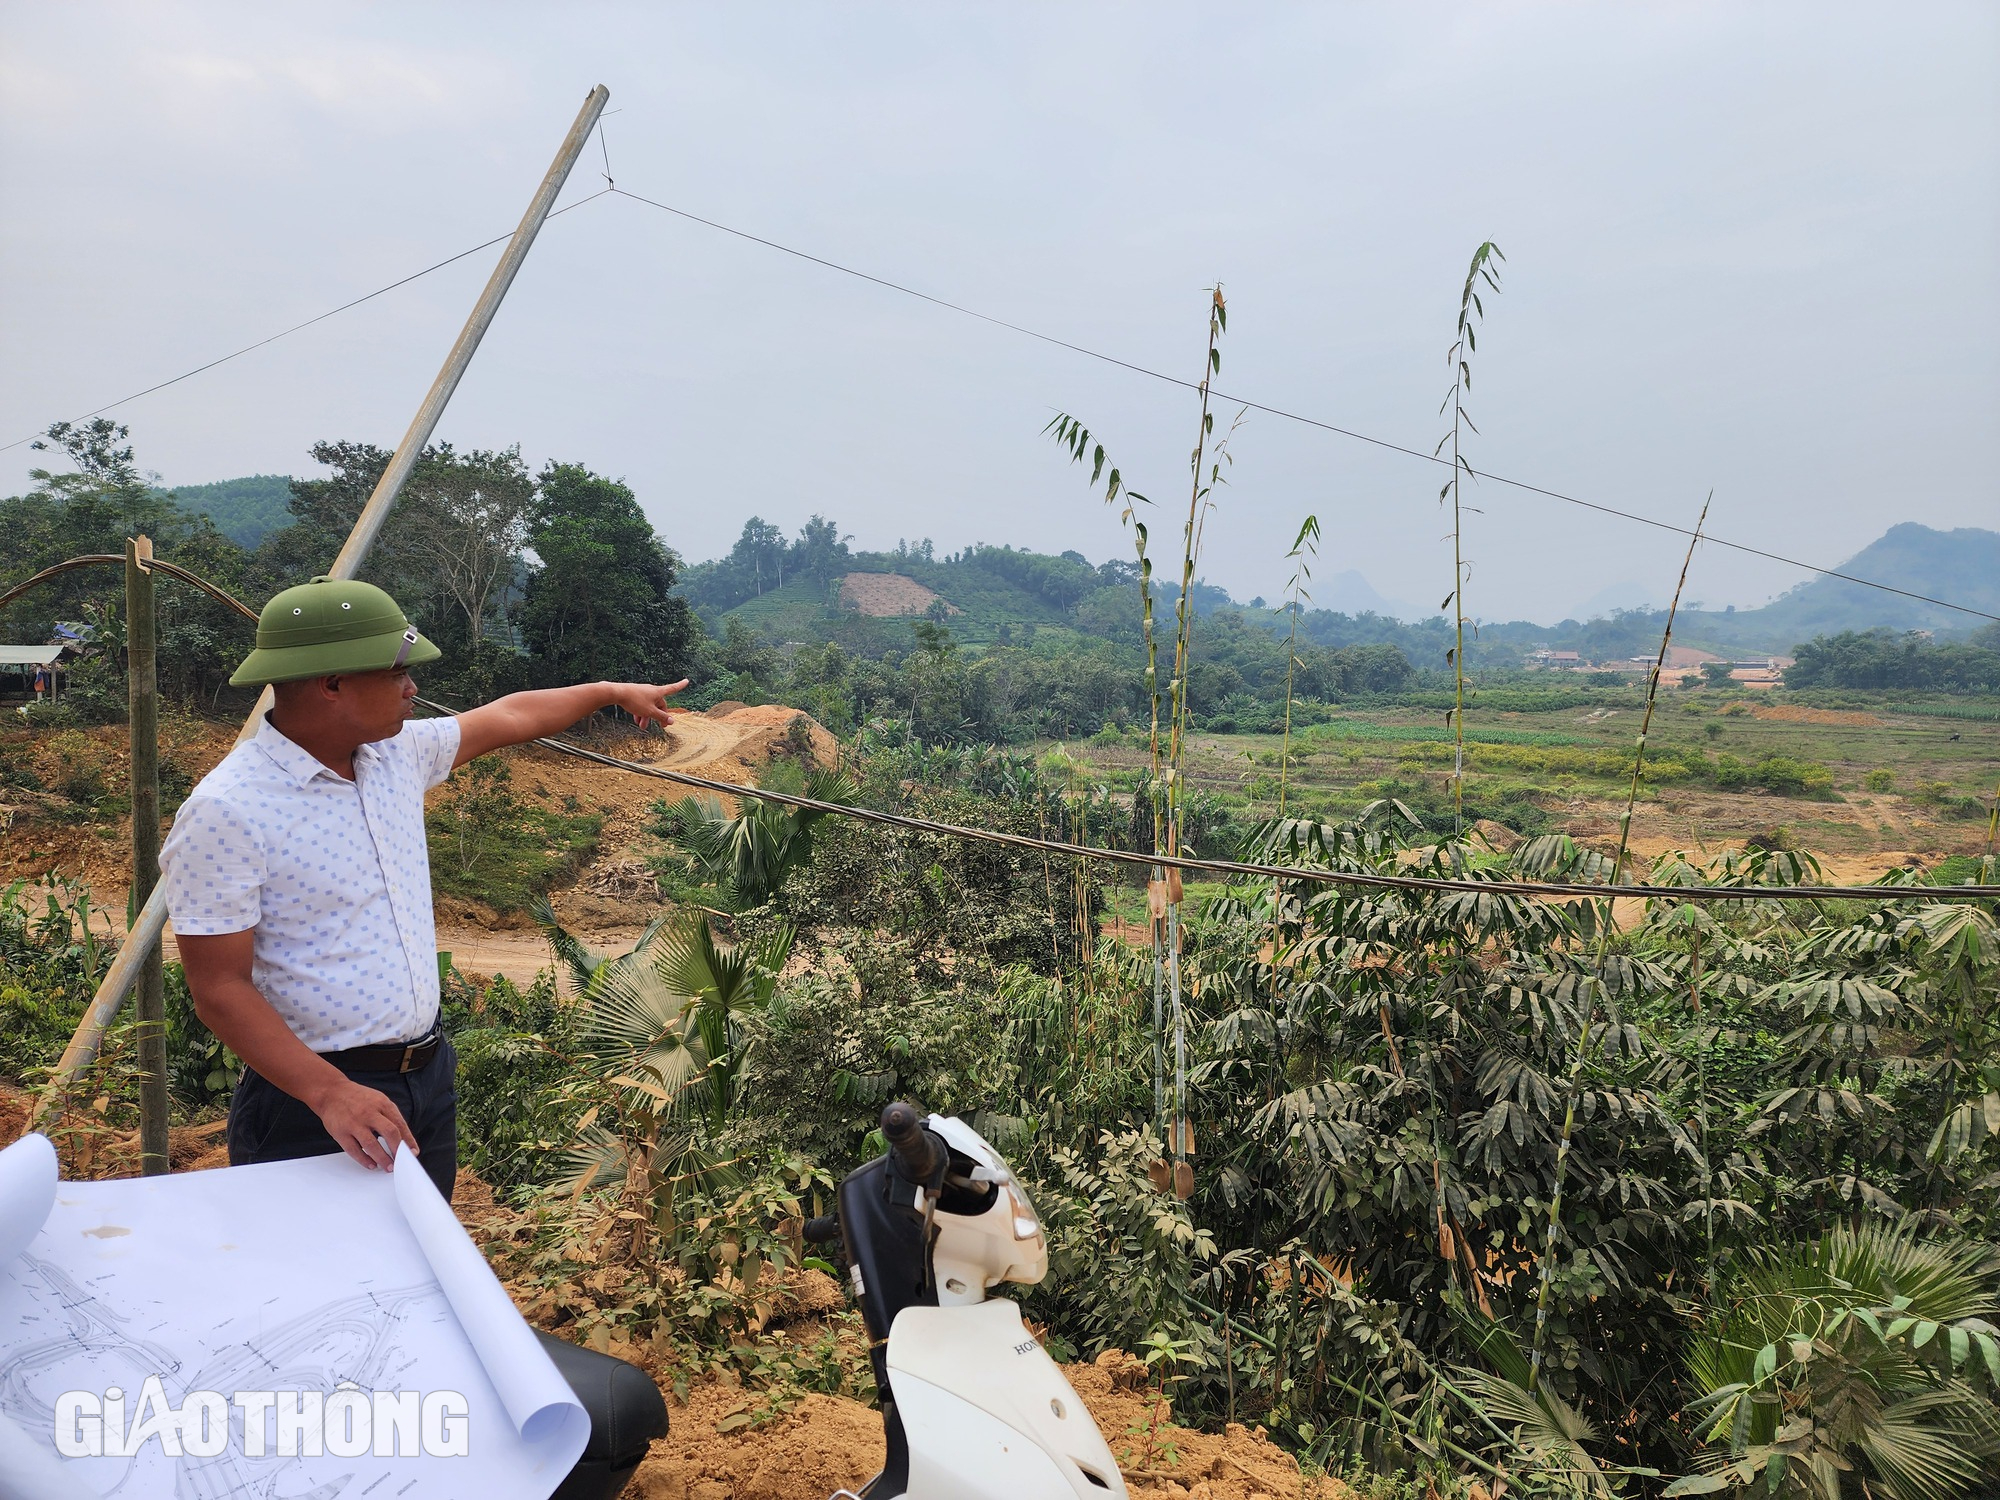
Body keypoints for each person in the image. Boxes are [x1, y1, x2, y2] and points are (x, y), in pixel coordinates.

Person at [160, 576, 686, 1200]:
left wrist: (609, 691)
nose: (413, 688)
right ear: (332, 684)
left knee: (414, 1273)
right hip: (312, 1100)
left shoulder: (395, 755)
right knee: (322, 1286)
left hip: (427, 1076)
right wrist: (330, 1094)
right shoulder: (229, 810)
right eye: (397, 673)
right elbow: (219, 988)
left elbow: (512, 715)